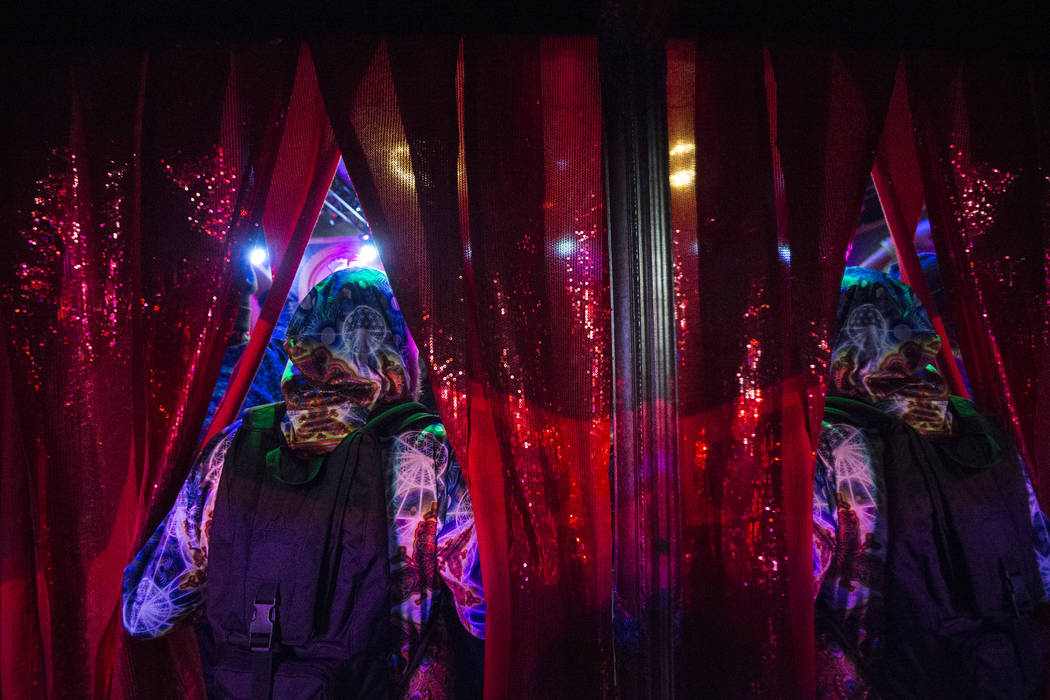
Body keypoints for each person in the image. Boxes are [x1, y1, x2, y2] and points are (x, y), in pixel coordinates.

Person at [123, 267, 485, 699]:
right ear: (399, 350)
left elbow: (144, 612)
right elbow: (484, 612)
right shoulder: (430, 457)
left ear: (300, 340)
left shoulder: (232, 448)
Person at [813, 267, 1050, 699]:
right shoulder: (977, 428)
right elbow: (1041, 562)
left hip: (880, 679)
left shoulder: (828, 443)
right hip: (1002, 673)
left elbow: (785, 590)